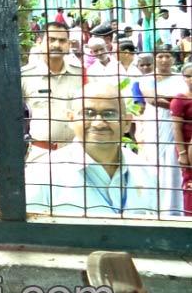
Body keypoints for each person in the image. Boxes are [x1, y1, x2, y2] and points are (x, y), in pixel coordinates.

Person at [26, 83, 158, 217]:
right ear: (71, 119)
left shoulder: (145, 172)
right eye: (88, 114)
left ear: (127, 123)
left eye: (110, 114)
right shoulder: (41, 175)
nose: (99, 123)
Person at [21, 21, 83, 162]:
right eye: (51, 40)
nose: (56, 45)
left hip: (76, 153)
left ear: (69, 45)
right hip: (41, 154)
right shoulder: (25, 76)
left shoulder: (81, 74)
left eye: (62, 41)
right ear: (39, 42)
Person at [138, 44, 186, 215]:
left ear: (173, 58)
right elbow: (152, 99)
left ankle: (175, 209)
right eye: (160, 56)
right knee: (154, 162)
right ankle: (155, 208)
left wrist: (175, 104)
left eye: (167, 56)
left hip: (175, 126)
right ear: (155, 58)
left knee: (173, 164)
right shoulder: (146, 79)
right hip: (155, 124)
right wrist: (179, 105)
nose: (164, 60)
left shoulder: (181, 79)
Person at [171, 62, 192, 216]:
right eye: (188, 76)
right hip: (187, 148)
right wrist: (182, 153)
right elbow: (176, 128)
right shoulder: (180, 99)